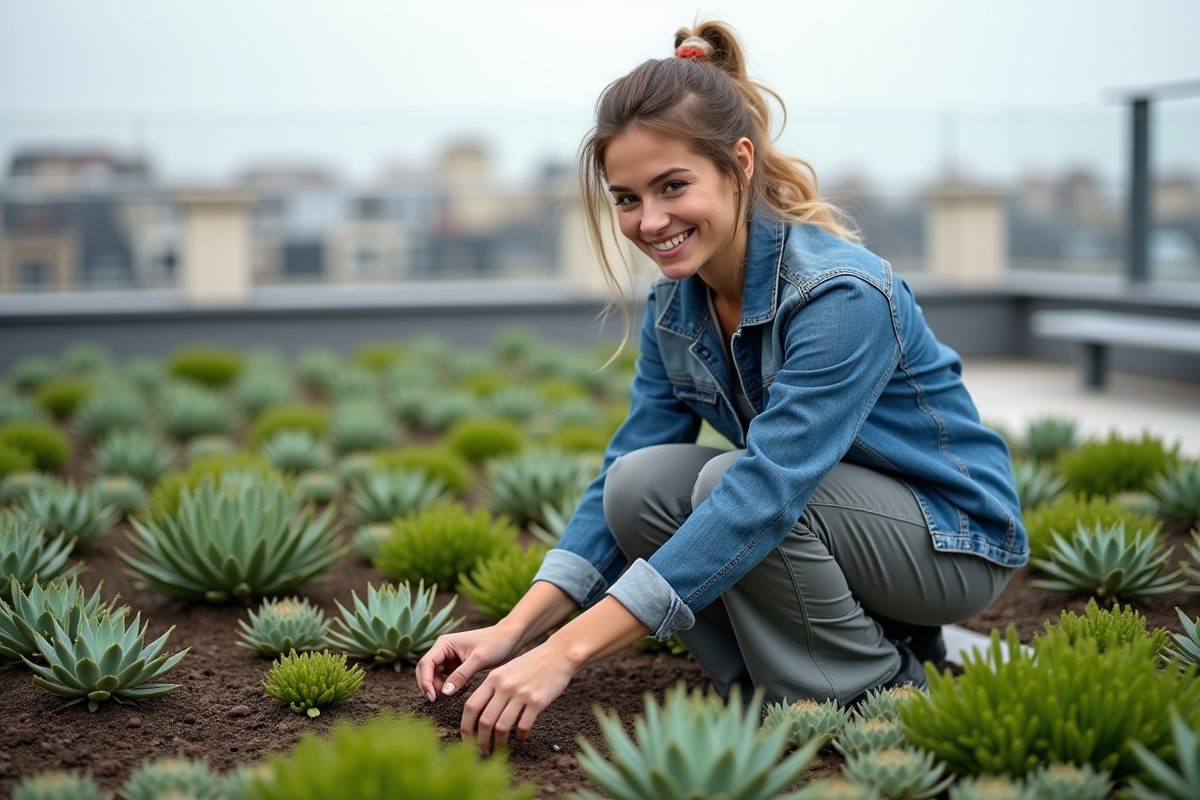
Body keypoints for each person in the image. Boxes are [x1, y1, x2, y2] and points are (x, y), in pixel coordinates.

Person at [416, 20, 1027, 756]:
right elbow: (628, 464)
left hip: (952, 541)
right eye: (628, 198)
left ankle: (879, 687)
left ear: (738, 166)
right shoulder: (676, 303)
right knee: (639, 485)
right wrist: (514, 633)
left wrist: (566, 653)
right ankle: (767, 683)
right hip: (847, 520)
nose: (651, 221)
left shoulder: (839, 296)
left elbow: (764, 495)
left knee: (726, 485)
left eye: (673, 186)